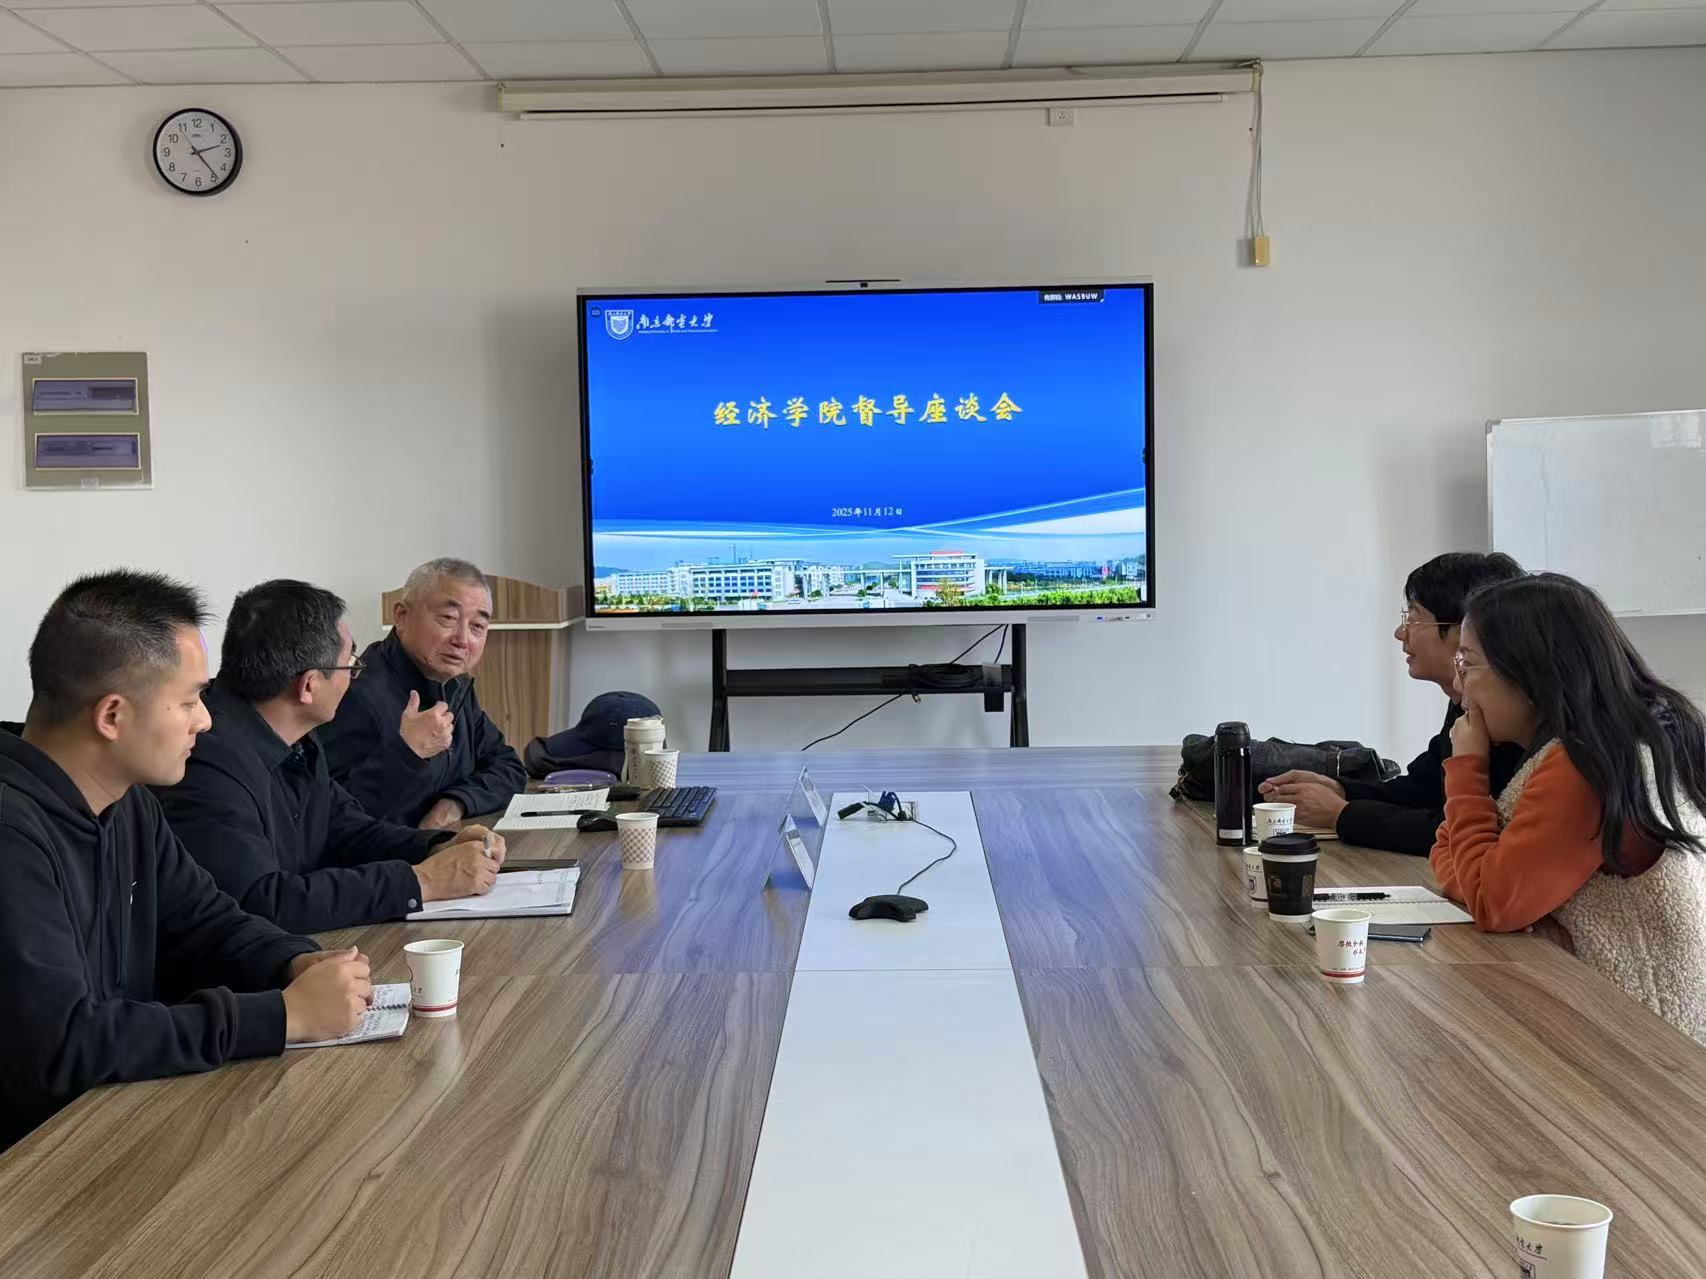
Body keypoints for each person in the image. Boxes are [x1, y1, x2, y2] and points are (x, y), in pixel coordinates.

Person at [0, 571, 371, 1151]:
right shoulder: (12, 833)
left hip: (116, 1119)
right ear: (112, 716)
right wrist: (281, 1016)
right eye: (190, 700)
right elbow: (63, 1045)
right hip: (38, 1163)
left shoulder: (129, 805)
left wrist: (294, 962)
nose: (206, 720)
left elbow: (206, 920)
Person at [1432, 573, 1706, 1043]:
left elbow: (1492, 902)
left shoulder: (1586, 764)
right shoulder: (1634, 734)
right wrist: (1488, 878)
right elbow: (1451, 854)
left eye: (1468, 664)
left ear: (1529, 673)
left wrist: (1468, 768)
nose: (1459, 685)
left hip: (1644, 1034)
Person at [155, 580, 508, 935]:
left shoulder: (298, 738)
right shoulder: (205, 761)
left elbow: (346, 829)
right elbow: (259, 902)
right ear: (309, 685)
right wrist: (422, 881)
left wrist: (436, 847)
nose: (355, 677)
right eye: (350, 664)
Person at [1261, 551, 1525, 854]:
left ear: (1467, 629)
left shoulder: (1511, 724)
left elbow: (1453, 832)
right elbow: (1423, 789)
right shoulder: (1462, 705)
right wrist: (1340, 789)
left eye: (1413, 618)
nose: (1400, 633)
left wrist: (1342, 814)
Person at [319, 558, 527, 829]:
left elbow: (508, 767)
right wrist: (406, 753)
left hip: (445, 845)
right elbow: (330, 818)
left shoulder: (456, 687)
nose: (462, 640)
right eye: (448, 618)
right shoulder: (354, 693)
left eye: (477, 626)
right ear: (401, 616)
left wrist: (455, 803)